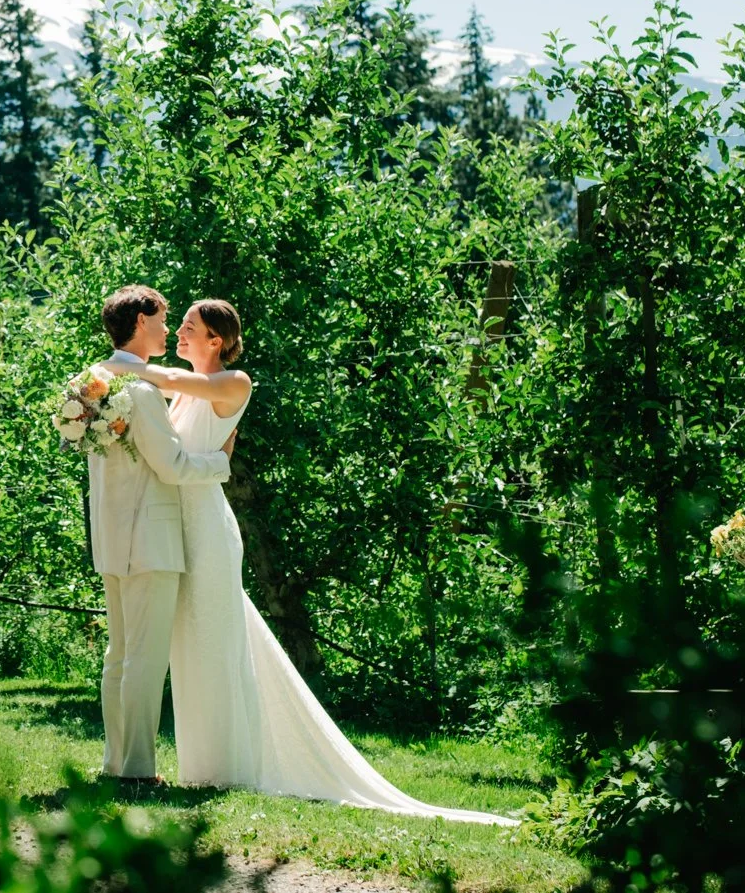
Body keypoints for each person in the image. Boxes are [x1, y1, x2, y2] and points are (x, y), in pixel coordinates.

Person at [100, 298, 516, 825]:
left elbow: (164, 383)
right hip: (171, 527)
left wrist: (122, 367)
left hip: (204, 529)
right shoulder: (173, 391)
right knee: (184, 649)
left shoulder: (232, 382)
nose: (180, 332)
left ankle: (226, 766)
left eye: (190, 327)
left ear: (217, 340)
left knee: (213, 644)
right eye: (176, 324)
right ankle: (194, 761)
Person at [87, 285, 234, 785]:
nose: (169, 329)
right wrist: (220, 462)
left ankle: (114, 763)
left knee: (119, 657)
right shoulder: (140, 392)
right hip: (150, 541)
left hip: (110, 536)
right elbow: (171, 466)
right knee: (144, 662)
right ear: (140, 322)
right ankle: (137, 771)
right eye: (163, 320)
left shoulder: (93, 384)